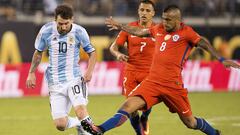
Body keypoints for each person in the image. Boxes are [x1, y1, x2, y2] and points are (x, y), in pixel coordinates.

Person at [81, 5, 240, 135]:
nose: (165, 23)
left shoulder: (187, 32)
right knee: (127, 107)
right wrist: (121, 26)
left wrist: (220, 59)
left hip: (173, 86)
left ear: (178, 20)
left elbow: (204, 43)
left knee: (190, 122)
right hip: (152, 82)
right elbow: (140, 32)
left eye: (168, 20)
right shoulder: (159, 29)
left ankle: (215, 133)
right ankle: (99, 129)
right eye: (163, 19)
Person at [26, 4, 96, 135]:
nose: (63, 27)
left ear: (72, 20)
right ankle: (79, 124)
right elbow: (38, 53)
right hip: (55, 82)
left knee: (81, 111)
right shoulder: (46, 30)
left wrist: (89, 72)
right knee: (60, 125)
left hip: (74, 78)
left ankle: (90, 131)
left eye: (66, 23)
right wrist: (31, 73)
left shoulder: (79, 32)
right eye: (60, 24)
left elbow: (92, 53)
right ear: (55, 20)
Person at [109, 1, 155, 135]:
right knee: (131, 108)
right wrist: (118, 54)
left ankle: (145, 117)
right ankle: (139, 133)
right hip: (131, 72)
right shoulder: (129, 28)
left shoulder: (158, 30)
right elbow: (113, 47)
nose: (144, 13)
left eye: (147, 10)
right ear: (138, 11)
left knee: (147, 104)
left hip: (150, 73)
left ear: (153, 13)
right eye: (142, 10)